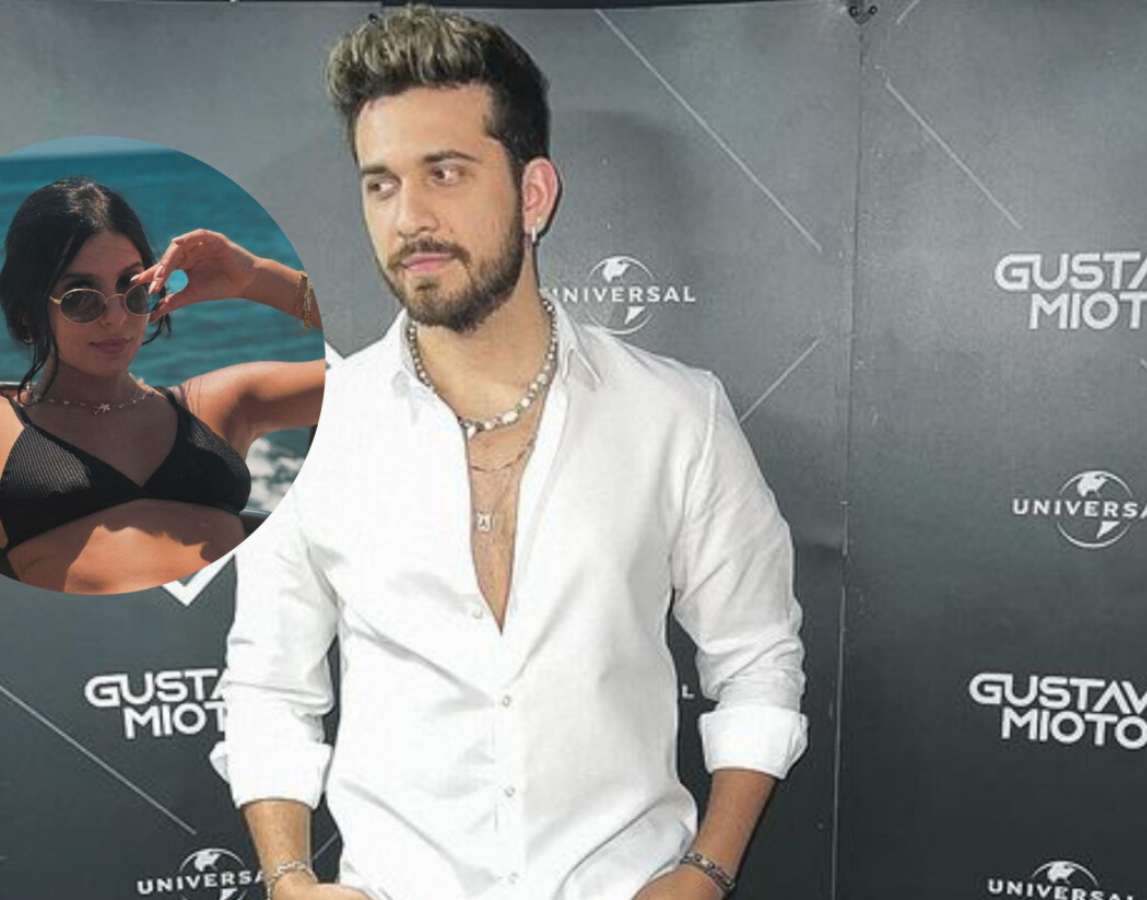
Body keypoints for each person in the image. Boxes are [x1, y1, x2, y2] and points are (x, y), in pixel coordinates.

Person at [212, 7, 806, 900]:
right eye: (381, 184)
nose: (410, 217)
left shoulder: (677, 416)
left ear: (534, 195)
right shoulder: (310, 431)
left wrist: (706, 872)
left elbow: (758, 661)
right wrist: (290, 879)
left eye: (445, 173)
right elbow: (268, 686)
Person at [0, 177, 325, 593]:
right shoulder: (8, 429)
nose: (116, 318)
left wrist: (255, 277)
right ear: (28, 311)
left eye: (133, 288)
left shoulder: (218, 405)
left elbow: (380, 357)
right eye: (81, 298)